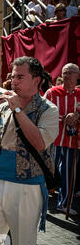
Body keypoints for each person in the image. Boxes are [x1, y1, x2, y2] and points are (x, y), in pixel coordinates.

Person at [0, 56, 58, 245]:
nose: (14, 82)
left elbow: (39, 143)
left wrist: (18, 111)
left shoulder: (48, 109)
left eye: (21, 77)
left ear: (37, 80)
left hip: (27, 187)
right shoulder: (3, 108)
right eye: (13, 77)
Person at [44, 63, 80, 215]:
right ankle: (40, 201)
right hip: (53, 140)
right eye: (65, 72)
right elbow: (41, 111)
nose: (68, 75)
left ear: (78, 76)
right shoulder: (52, 92)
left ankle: (64, 203)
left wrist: (77, 115)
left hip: (73, 141)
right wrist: (63, 118)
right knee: (46, 171)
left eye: (71, 72)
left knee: (69, 175)